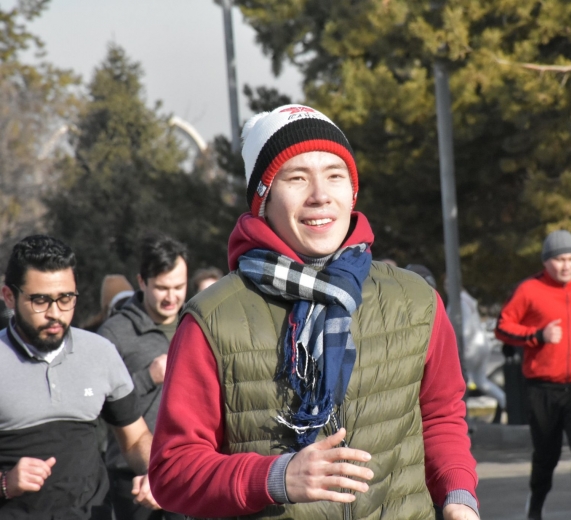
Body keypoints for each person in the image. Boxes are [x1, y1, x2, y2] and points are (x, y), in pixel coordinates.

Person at [148, 105, 479, 519]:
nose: (320, 195)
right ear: (264, 199)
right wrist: (275, 477)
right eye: (297, 177)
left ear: (352, 192)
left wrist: (458, 495)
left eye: (335, 175)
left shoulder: (416, 300)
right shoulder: (212, 319)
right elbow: (172, 471)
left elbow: (441, 417)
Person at [0, 235, 158, 519]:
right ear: (9, 296)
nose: (55, 314)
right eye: (40, 300)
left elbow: (135, 440)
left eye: (66, 299)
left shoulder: (100, 352)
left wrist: (154, 473)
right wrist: (4, 484)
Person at [495, 230, 571, 520]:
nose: (566, 266)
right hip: (542, 388)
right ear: (546, 262)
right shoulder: (529, 290)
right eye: (559, 260)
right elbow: (503, 326)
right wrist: (537, 335)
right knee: (547, 456)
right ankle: (535, 506)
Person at [98, 233, 188, 520]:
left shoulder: (197, 323)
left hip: (188, 469)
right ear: (141, 282)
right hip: (132, 478)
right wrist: (148, 377)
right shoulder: (114, 333)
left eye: (179, 287)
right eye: (162, 288)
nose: (171, 297)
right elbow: (99, 405)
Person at [449, 285, 506, 423]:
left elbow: (463, 327)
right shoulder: (469, 300)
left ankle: (461, 416)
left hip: (470, 346)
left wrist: (459, 347)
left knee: (459, 381)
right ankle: (505, 402)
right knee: (481, 381)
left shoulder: (457, 302)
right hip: (482, 344)